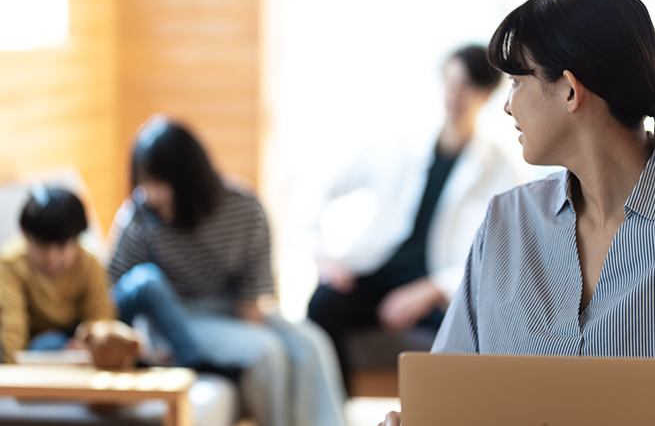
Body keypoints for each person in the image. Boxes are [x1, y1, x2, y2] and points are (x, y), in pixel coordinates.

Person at [380, 0, 655, 426]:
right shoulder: (506, 221)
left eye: (517, 82)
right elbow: (450, 400)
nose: (507, 106)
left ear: (569, 90)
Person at [304, 45, 520, 389]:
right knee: (323, 303)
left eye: (465, 86)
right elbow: (318, 190)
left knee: (480, 334)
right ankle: (333, 411)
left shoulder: (499, 169)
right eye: (448, 83)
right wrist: (323, 257)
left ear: (487, 93)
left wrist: (431, 289)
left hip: (437, 289)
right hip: (376, 276)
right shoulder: (397, 147)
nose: (453, 95)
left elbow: (497, 253)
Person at [107, 116, 346, 426]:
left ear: (188, 179)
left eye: (160, 183)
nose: (151, 194)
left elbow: (251, 305)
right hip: (175, 318)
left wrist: (249, 329)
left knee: (311, 343)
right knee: (266, 352)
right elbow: (116, 290)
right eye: (145, 182)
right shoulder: (139, 216)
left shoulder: (245, 210)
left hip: (231, 307)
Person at [0, 186, 115, 362]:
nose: (51, 259)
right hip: (42, 340)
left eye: (62, 247)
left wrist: (88, 342)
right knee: (48, 343)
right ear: (25, 234)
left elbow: (100, 314)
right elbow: (13, 325)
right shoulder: (10, 263)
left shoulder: (89, 260)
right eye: (42, 247)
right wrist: (9, 371)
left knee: (147, 283)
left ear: (77, 238)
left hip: (82, 334)